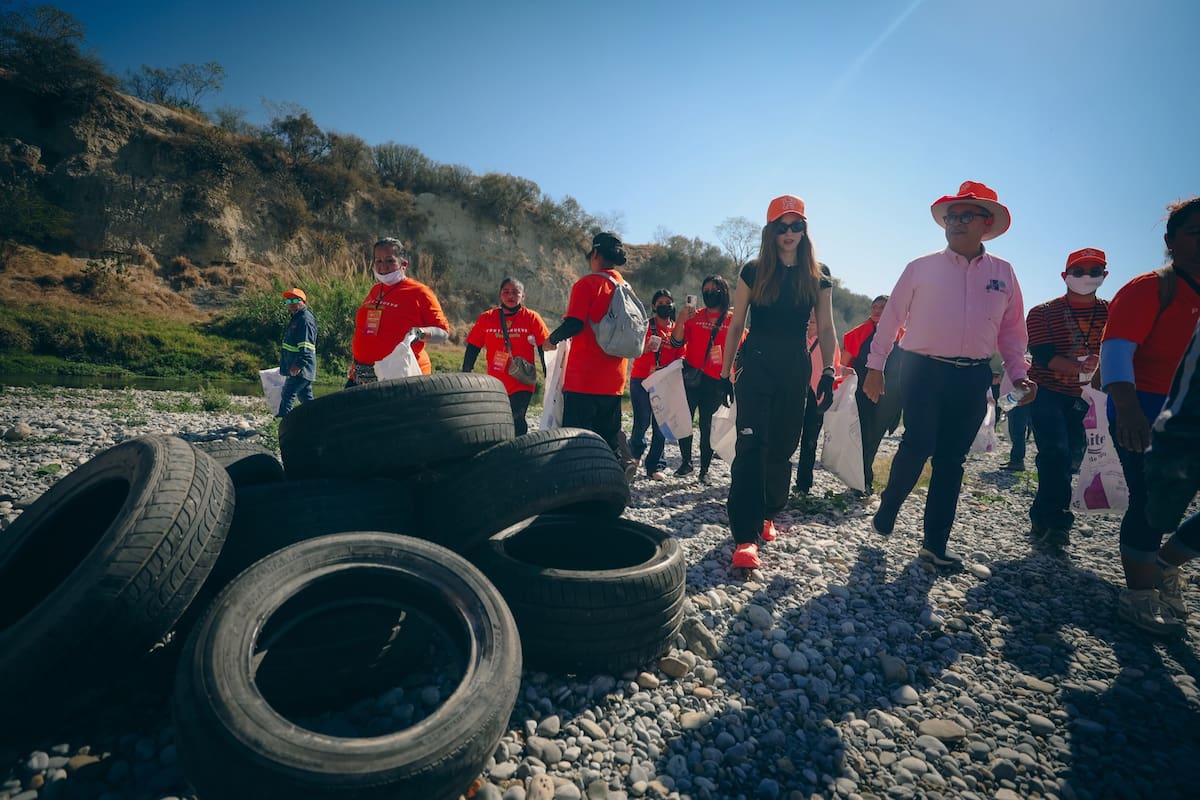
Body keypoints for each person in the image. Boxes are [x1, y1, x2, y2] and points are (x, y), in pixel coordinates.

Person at [863, 180, 1034, 570]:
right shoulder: (921, 267)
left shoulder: (1003, 273)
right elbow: (890, 321)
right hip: (923, 370)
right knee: (918, 441)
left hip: (973, 376)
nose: (955, 222)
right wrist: (875, 367)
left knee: (951, 461)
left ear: (985, 223)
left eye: (965, 216)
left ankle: (934, 545)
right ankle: (890, 504)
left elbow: (1011, 332)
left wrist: (1018, 374)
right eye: (950, 217)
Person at [720, 195, 837, 569]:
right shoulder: (753, 270)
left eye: (796, 225)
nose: (789, 233)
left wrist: (830, 372)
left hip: (795, 367)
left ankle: (769, 512)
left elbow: (829, 327)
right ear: (771, 231)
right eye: (781, 226)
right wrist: (725, 371)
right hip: (755, 363)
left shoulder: (818, 276)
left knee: (783, 446)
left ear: (805, 230)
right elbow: (736, 323)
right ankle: (744, 536)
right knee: (751, 446)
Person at [1101, 196, 1200, 636]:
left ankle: (1164, 563)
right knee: (1150, 502)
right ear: (1171, 242)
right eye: (1196, 235)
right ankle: (1138, 597)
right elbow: (1117, 350)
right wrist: (1126, 410)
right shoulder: (1151, 288)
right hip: (1142, 407)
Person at [1025, 247, 1110, 547]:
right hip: (1047, 391)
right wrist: (1079, 366)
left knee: (1071, 458)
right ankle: (1058, 523)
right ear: (1065, 275)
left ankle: (1040, 513)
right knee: (1056, 452)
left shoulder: (1113, 313)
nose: (1086, 277)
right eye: (1079, 271)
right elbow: (1043, 355)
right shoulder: (1041, 312)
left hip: (1088, 397)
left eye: (1094, 271)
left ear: (1104, 275)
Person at [546, 231, 639, 481]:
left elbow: (574, 324)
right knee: (607, 439)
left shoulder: (587, 284)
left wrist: (550, 340)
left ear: (595, 254)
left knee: (577, 440)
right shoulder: (626, 287)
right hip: (614, 381)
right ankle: (611, 480)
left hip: (583, 379)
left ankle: (576, 489)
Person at [349, 238, 450, 385]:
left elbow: (443, 333)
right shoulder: (376, 290)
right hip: (361, 374)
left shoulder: (420, 292)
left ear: (404, 264)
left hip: (401, 377)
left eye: (390, 260)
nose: (383, 266)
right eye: (378, 261)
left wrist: (419, 333)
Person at [672, 275, 741, 483]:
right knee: (684, 420)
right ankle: (686, 462)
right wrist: (681, 320)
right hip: (691, 376)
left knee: (707, 426)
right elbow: (676, 343)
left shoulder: (732, 320)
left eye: (714, 289)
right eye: (706, 289)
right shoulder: (694, 316)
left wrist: (730, 378)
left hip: (715, 380)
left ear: (723, 292)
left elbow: (739, 352)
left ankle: (704, 469)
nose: (709, 293)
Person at [462, 277, 551, 435]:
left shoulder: (531, 317)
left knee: (516, 418)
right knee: (498, 420)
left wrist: (548, 373)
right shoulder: (487, 318)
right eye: (506, 292)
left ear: (523, 296)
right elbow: (473, 346)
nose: (511, 296)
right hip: (495, 382)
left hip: (522, 380)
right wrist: (466, 371)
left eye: (516, 292)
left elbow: (544, 347)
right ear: (500, 295)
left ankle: (518, 451)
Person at [841, 294, 904, 493]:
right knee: (862, 434)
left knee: (875, 436)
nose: (877, 311)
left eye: (882, 308)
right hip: (861, 392)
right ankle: (862, 480)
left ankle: (863, 479)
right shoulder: (857, 334)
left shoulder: (905, 336)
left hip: (892, 395)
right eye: (874, 307)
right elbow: (842, 364)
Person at [630, 289, 685, 480]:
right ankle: (635, 454)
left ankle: (655, 465)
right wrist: (645, 348)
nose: (665, 306)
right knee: (641, 421)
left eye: (668, 302)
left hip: (665, 381)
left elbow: (681, 354)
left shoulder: (677, 328)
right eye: (660, 302)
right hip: (642, 379)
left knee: (662, 424)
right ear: (654, 306)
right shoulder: (645, 326)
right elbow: (633, 349)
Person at [795, 313, 840, 494]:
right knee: (786, 436)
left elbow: (835, 367)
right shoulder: (795, 339)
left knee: (810, 441)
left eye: (813, 321)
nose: (809, 325)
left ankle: (803, 484)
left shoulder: (828, 344)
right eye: (807, 321)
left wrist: (847, 373)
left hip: (816, 396)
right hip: (795, 393)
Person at [277, 287, 317, 416]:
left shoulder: (304, 320)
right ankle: (316, 421)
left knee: (288, 394)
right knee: (306, 399)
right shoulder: (297, 318)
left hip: (301, 367)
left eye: (295, 300)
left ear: (303, 302)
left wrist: (298, 365)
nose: (292, 303)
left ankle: (281, 423)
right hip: (300, 367)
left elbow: (307, 347)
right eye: (288, 301)